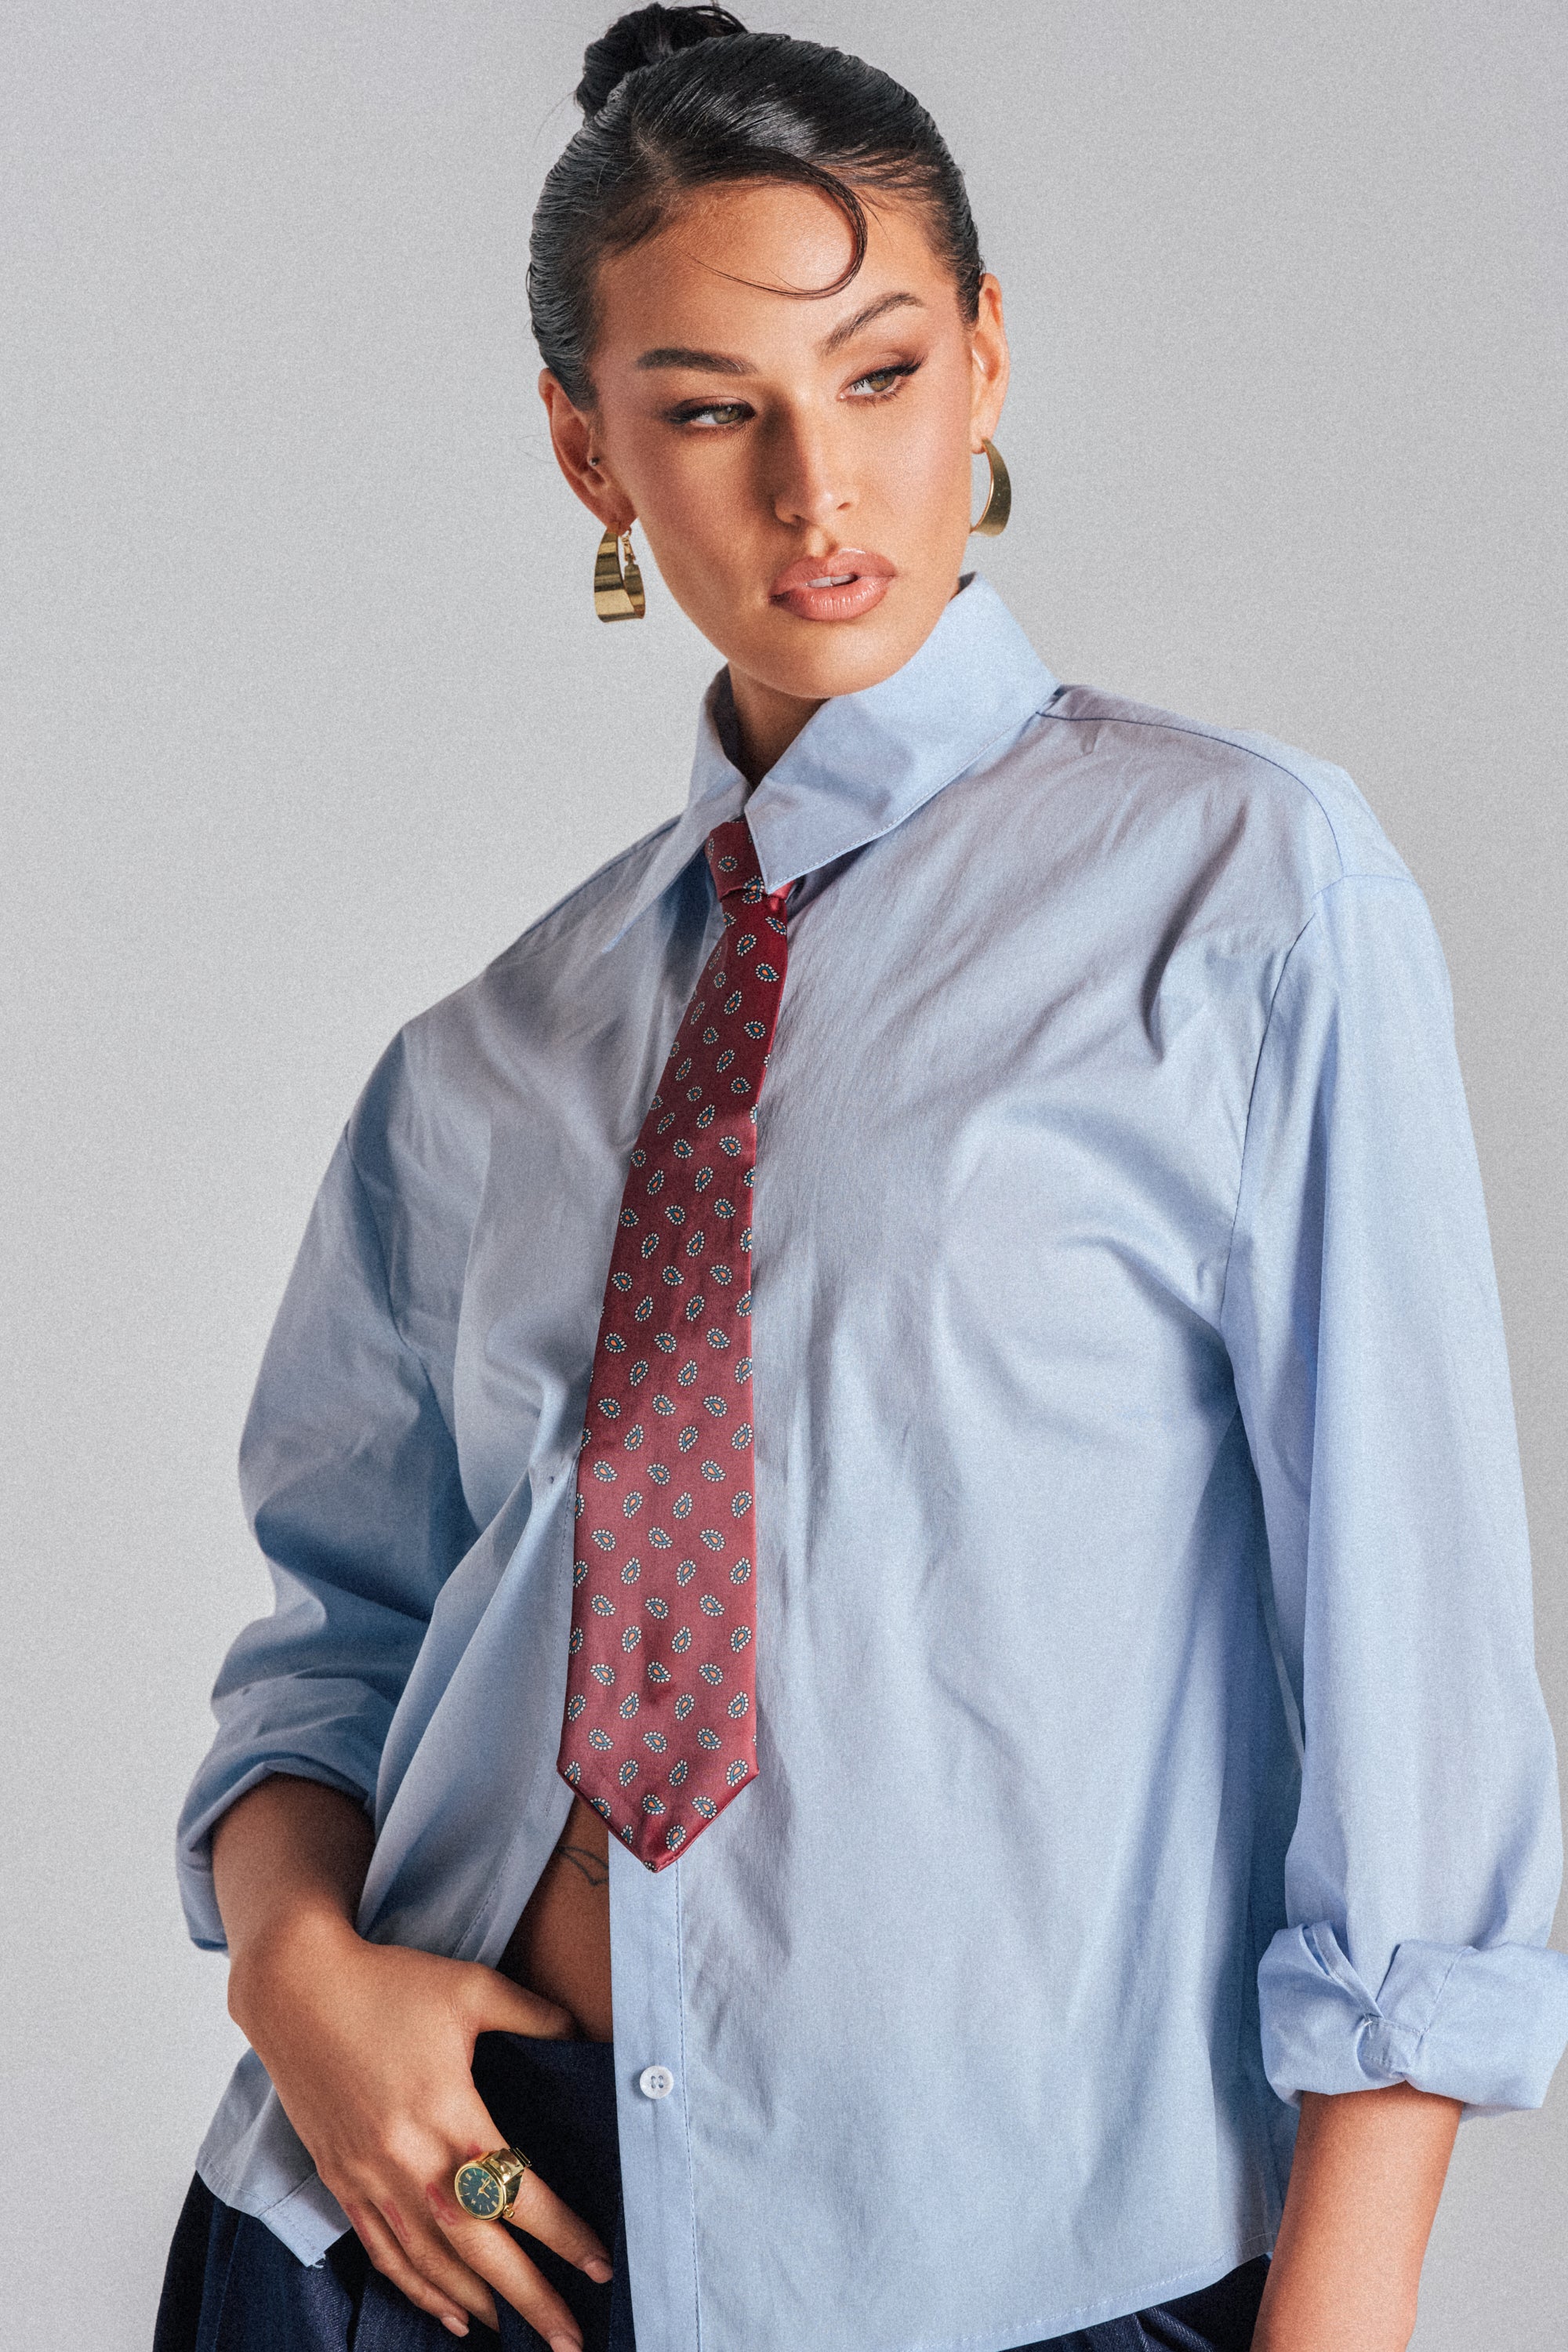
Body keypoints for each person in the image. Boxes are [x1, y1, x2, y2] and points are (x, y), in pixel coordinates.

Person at [154, 9, 1568, 2352]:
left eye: (884, 374)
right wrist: (297, 1980)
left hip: (1014, 2267)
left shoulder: (1240, 890)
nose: (820, 491)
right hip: (420, 2236)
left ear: (990, 361)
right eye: (710, 409)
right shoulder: (487, 1057)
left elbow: (1410, 1671)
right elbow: (331, 1651)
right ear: (585, 449)